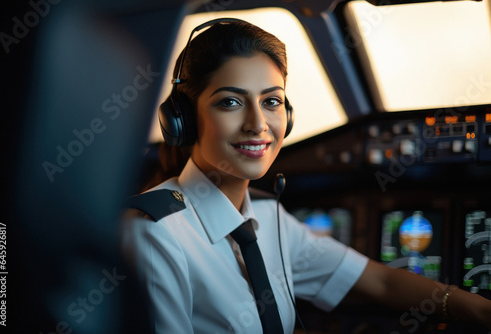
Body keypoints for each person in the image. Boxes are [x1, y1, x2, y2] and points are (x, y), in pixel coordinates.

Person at [120, 18, 491, 333]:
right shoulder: (155, 231)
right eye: (230, 102)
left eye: (271, 101)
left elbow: (379, 281)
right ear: (182, 120)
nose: (257, 124)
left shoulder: (267, 217)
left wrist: (469, 306)